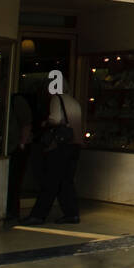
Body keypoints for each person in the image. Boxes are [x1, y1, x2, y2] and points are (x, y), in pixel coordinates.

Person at [22, 92, 83, 225]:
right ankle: (71, 213)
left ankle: (38, 215)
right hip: (75, 144)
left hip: (61, 145)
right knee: (66, 181)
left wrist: (45, 123)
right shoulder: (74, 101)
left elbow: (55, 119)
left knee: (51, 180)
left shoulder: (57, 99)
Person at [5, 92, 33, 222]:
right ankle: (10, 211)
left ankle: (12, 211)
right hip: (9, 146)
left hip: (16, 146)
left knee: (14, 181)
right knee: (11, 181)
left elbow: (26, 123)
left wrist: (22, 142)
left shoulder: (17, 101)